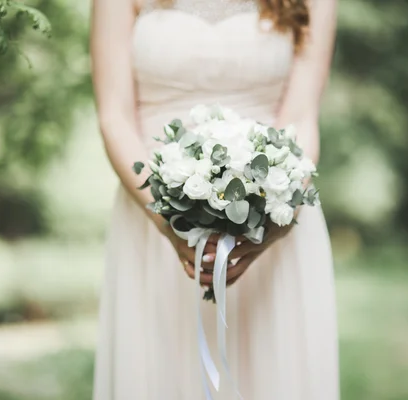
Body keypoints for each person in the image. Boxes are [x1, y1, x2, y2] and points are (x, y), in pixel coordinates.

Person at [90, 0, 339, 398]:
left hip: (274, 219)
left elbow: (302, 116)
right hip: (151, 217)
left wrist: (276, 220)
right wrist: (168, 219)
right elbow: (113, 116)